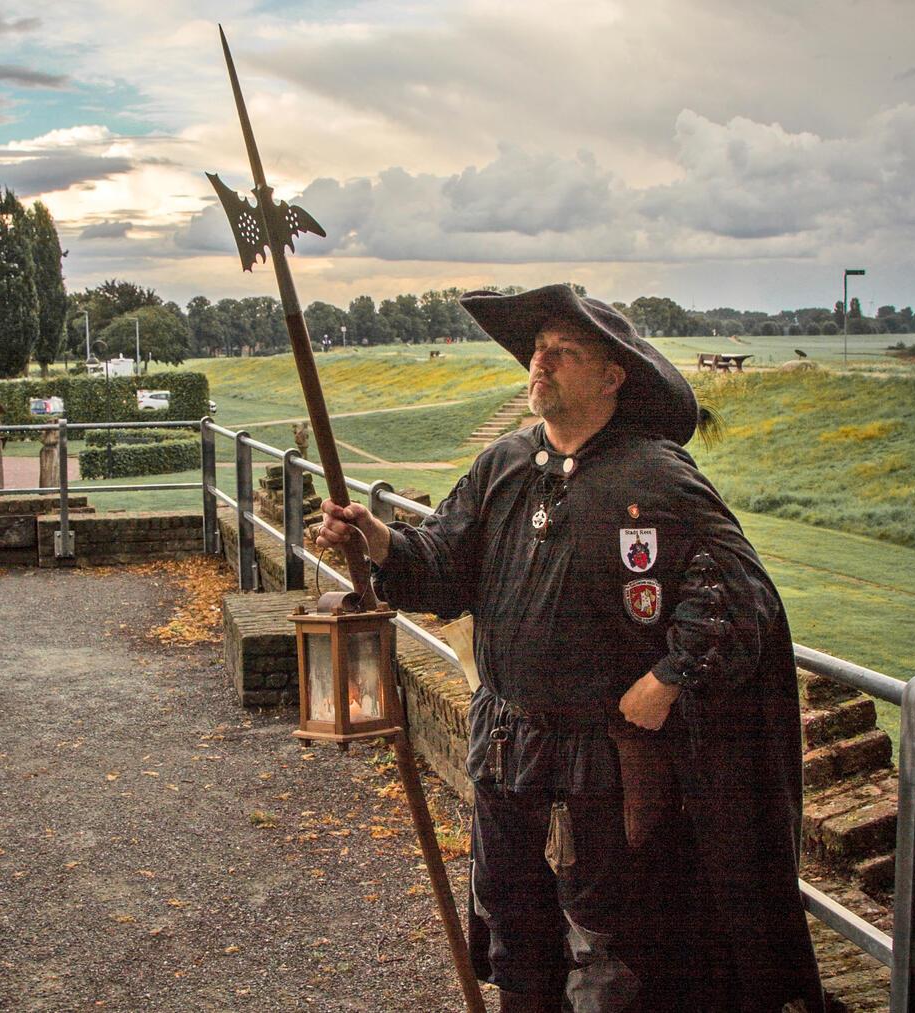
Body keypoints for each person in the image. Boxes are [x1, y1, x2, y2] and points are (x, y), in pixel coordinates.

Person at [317, 285, 823, 1013]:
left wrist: (669, 676)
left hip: (604, 768)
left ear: (612, 376)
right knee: (516, 933)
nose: (540, 363)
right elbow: (445, 562)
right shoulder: (503, 464)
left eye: (563, 352)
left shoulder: (656, 476)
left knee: (607, 949)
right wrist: (379, 539)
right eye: (537, 351)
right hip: (507, 749)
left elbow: (739, 591)